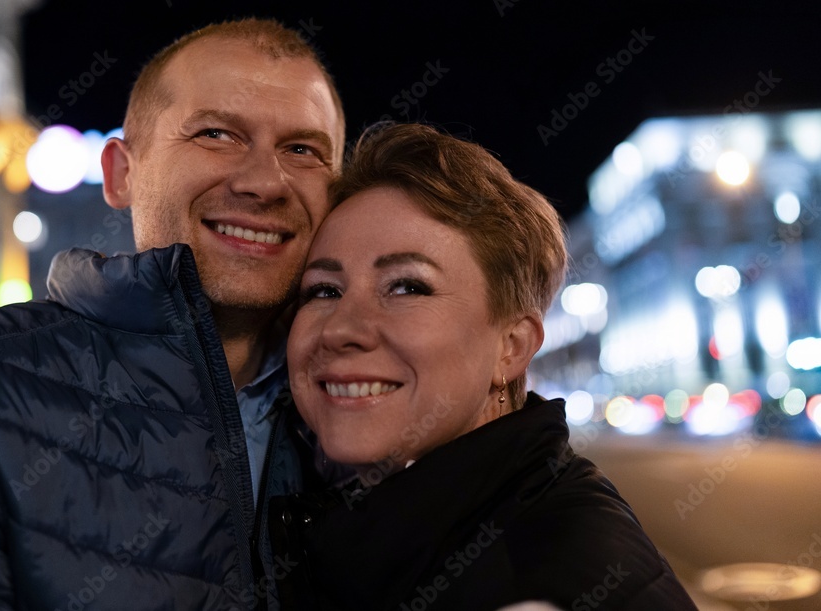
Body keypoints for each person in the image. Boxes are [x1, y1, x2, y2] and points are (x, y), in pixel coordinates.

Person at [0, 18, 346, 610]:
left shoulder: (359, 410)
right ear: (121, 174)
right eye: (217, 134)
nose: (266, 182)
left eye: (302, 150)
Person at [268, 123, 699, 610]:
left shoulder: (545, 583)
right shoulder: (388, 520)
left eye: (407, 286)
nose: (341, 329)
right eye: (323, 290)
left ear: (512, 348)